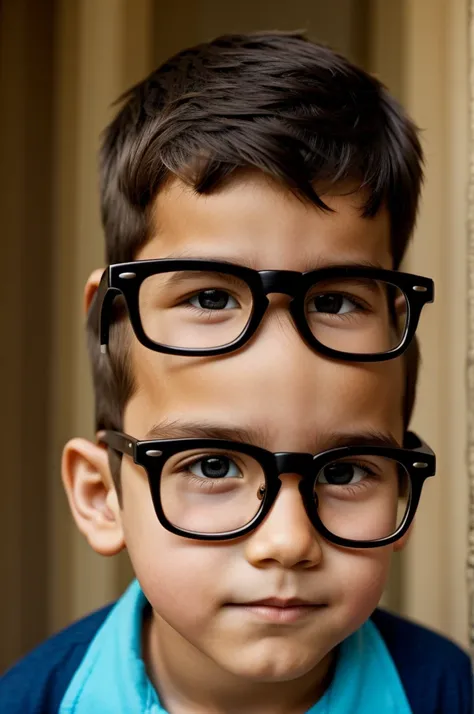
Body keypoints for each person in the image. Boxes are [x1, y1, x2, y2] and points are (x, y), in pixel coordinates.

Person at [1, 32, 471, 714]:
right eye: (214, 465)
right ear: (103, 495)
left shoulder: (447, 693)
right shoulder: (31, 702)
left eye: (343, 472)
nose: (288, 544)